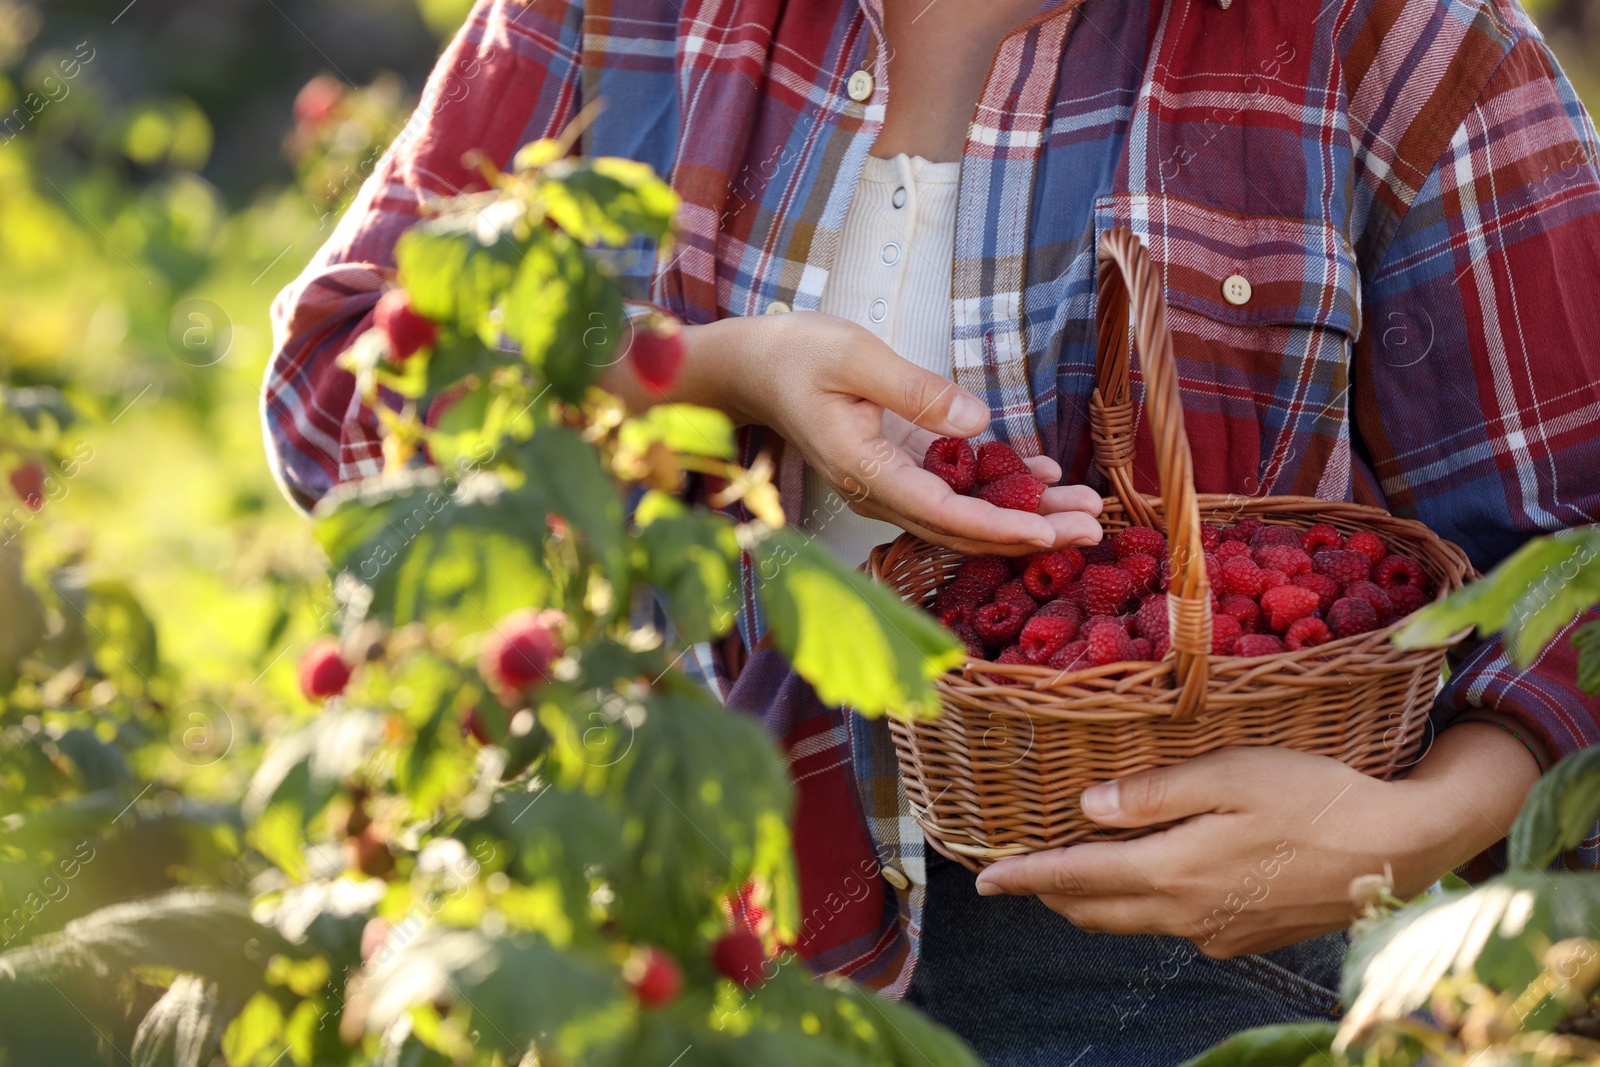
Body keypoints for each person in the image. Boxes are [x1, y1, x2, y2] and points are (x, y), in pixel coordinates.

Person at [264, 0, 1600, 1063]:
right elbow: (343, 397)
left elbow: (1579, 550)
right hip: (659, 895)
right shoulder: (618, 16)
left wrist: (1407, 833)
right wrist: (711, 372)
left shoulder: (1397, 41)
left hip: (1162, 940)